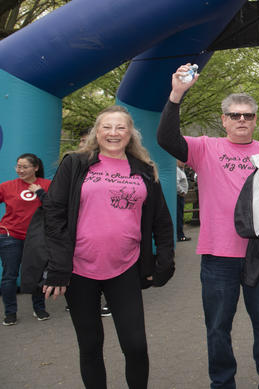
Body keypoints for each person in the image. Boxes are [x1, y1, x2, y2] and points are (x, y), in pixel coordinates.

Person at [157, 64, 259, 389]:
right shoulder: (205, 148)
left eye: (248, 115)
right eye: (235, 115)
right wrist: (176, 95)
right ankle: (223, 383)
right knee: (217, 327)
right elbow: (166, 138)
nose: (242, 120)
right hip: (218, 257)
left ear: (256, 120)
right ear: (224, 119)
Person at [41, 105, 174, 389]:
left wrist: (165, 260)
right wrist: (58, 267)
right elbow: (53, 213)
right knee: (90, 347)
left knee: (136, 346)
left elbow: (161, 220)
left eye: (121, 128)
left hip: (125, 268)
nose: (113, 133)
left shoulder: (144, 170)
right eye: (107, 127)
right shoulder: (75, 163)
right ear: (96, 132)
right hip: (79, 270)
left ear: (131, 135)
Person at [0, 153, 51, 325]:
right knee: (9, 276)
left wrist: (40, 192)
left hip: (37, 238)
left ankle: (39, 308)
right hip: (10, 236)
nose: (20, 170)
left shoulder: (47, 185)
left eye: (24, 167)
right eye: (18, 166)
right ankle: (10, 312)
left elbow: (54, 207)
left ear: (35, 168)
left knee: (37, 274)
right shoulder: (6, 186)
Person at [175, 160, 190, 242]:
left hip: (180, 196)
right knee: (179, 216)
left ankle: (180, 234)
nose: (183, 163)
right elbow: (176, 183)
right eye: (181, 161)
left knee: (180, 215)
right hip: (178, 196)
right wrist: (181, 192)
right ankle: (180, 235)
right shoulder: (176, 170)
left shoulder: (181, 170)